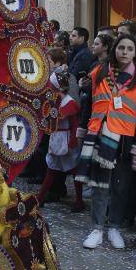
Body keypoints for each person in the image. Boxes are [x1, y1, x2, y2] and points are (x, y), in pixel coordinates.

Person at [76, 34, 136, 250]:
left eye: (130, 49)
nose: (125, 52)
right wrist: (82, 129)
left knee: (121, 186)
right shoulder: (98, 72)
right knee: (99, 185)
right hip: (98, 134)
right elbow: (88, 104)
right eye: (121, 48)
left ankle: (114, 227)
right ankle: (97, 228)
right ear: (115, 49)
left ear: (135, 53)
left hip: (125, 138)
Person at [37, 69, 83, 211]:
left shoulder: (69, 103)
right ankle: (40, 198)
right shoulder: (53, 101)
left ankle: (79, 200)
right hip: (56, 138)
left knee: (74, 170)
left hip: (67, 139)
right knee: (51, 168)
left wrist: (73, 141)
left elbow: (75, 124)